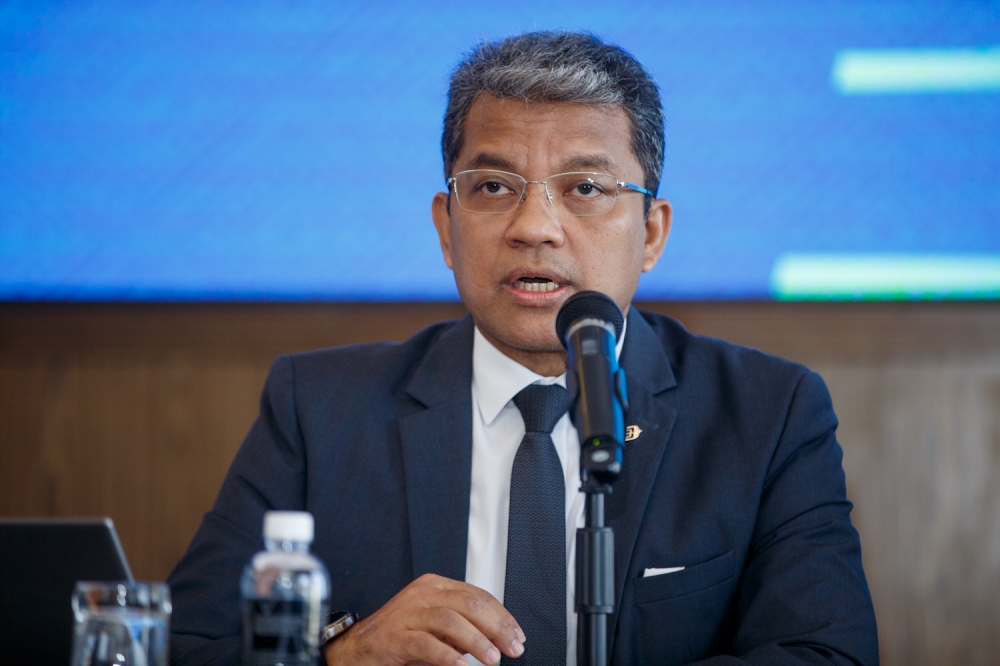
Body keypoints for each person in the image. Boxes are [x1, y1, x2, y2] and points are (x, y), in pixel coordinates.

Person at [167, 31, 879, 666]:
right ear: (446, 228)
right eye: (493, 186)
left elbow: (827, 653)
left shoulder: (767, 414)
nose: (535, 226)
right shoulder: (319, 411)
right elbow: (180, 647)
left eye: (586, 187)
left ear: (652, 233)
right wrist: (342, 657)